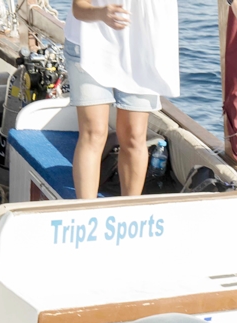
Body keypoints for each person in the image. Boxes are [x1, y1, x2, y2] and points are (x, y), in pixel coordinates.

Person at [64, 0, 180, 199]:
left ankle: (128, 214)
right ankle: (85, 213)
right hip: (88, 43)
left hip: (142, 49)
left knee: (134, 136)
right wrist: (100, 13)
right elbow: (79, 8)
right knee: (94, 132)